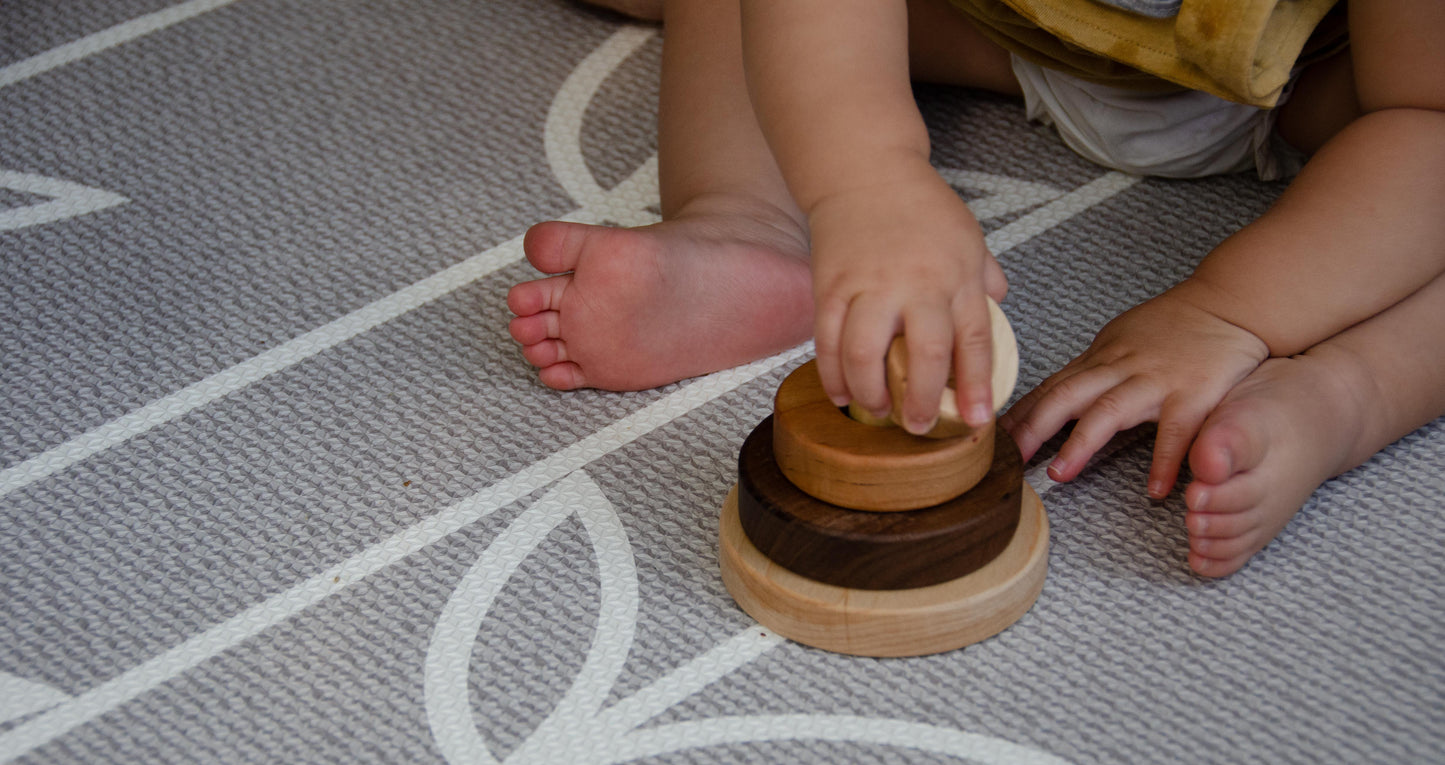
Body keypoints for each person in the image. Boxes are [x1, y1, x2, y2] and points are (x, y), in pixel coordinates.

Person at [507, 0, 1445, 577]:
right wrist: (865, 183)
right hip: (1018, 32)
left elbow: (1424, 112)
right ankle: (745, 224)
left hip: (1319, 84)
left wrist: (1226, 311)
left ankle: (1345, 391)